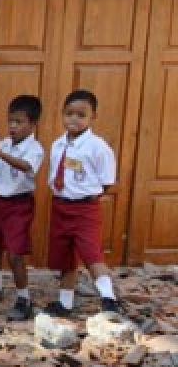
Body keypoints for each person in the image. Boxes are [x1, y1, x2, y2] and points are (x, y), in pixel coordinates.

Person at [44, 90, 122, 316]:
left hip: (85, 208)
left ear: (92, 117)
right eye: (69, 114)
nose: (74, 119)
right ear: (62, 114)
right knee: (65, 257)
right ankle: (65, 303)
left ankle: (109, 299)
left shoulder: (98, 147)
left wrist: (85, 195)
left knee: (91, 253)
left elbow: (106, 182)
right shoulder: (58, 145)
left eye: (81, 115)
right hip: (60, 206)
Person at [0, 95, 45, 320]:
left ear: (32, 124)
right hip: (0, 203)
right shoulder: (4, 143)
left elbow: (25, 167)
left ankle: (24, 299)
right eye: (10, 121)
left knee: (15, 254)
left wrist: (0, 154)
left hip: (19, 204)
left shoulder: (34, 148)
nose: (13, 126)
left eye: (19, 122)